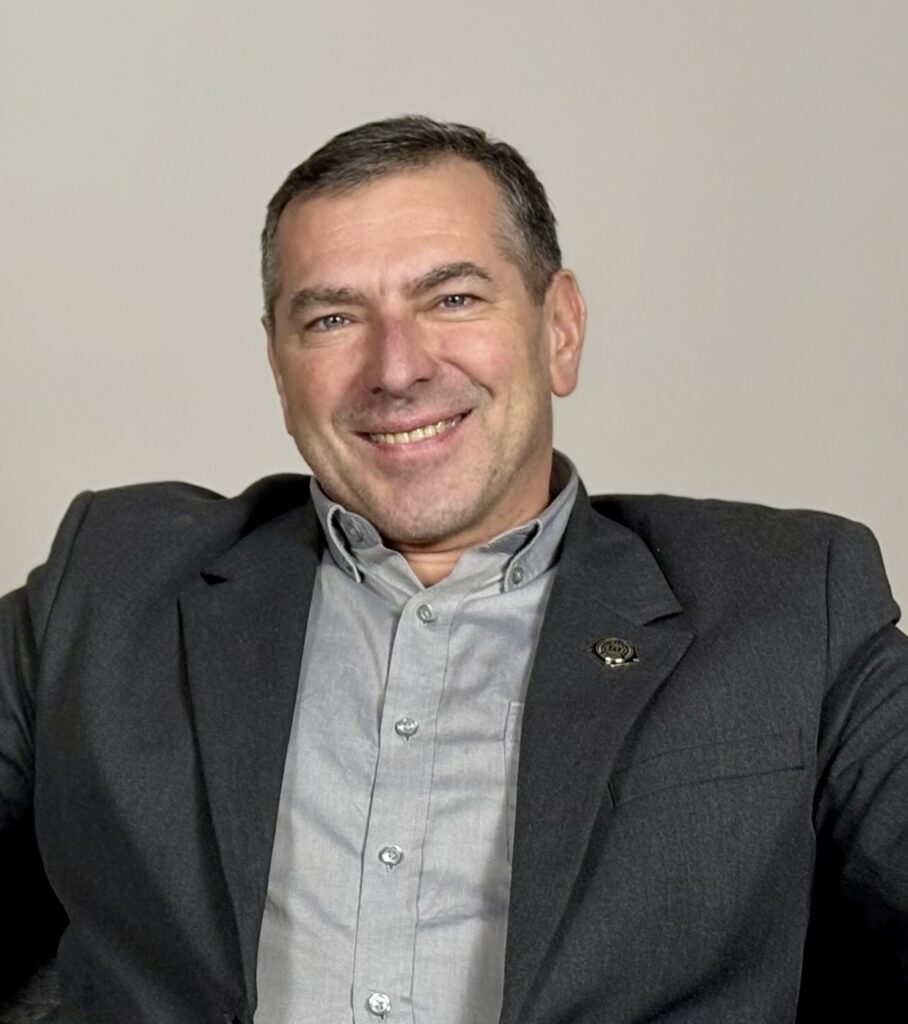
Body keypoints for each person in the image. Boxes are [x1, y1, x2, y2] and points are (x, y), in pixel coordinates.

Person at [1, 115, 906, 1024]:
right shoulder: (111, 582)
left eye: (453, 300)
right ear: (279, 367)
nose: (396, 369)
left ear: (560, 330)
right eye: (332, 318)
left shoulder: (790, 606)